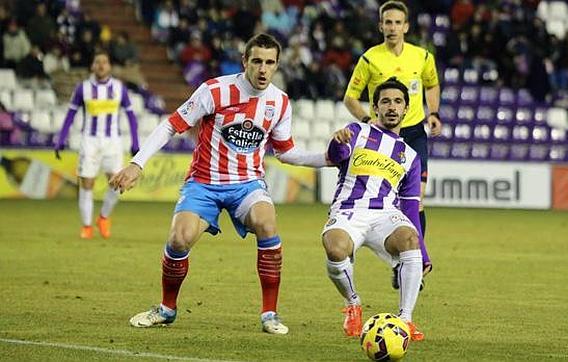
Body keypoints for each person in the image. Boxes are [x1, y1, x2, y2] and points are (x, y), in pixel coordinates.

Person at [109, 33, 328, 334]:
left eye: (270, 63)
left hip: (248, 185)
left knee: (267, 223)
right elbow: (171, 125)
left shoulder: (280, 102)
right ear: (244, 61)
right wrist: (137, 163)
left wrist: (328, 158)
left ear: (277, 65)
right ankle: (167, 309)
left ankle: (270, 314)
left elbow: (286, 152)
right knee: (179, 239)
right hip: (204, 183)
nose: (263, 70)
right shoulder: (215, 91)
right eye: (257, 62)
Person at [343, 0, 439, 288]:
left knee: (416, 200)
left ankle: (413, 262)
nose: (392, 27)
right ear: (380, 25)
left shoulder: (422, 57)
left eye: (398, 22)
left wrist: (433, 112)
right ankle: (399, 261)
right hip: (382, 138)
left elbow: (431, 85)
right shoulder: (370, 59)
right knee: (383, 199)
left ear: (406, 26)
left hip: (414, 134)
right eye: (388, 22)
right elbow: (350, 96)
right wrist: (365, 119)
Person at [325, 77, 429, 341]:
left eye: (398, 102)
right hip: (349, 210)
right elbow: (337, 157)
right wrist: (337, 142)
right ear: (375, 108)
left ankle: (405, 320)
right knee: (336, 248)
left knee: (409, 238)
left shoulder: (410, 156)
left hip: (385, 214)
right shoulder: (357, 131)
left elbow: (410, 204)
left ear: (407, 108)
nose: (392, 107)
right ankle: (353, 303)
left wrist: (423, 251)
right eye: (385, 102)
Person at [54, 50, 139, 239]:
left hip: (113, 142)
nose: (101, 65)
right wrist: (61, 138)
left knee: (118, 183)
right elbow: (70, 114)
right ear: (92, 66)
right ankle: (86, 226)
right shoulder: (83, 88)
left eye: (104, 62)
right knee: (87, 183)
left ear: (109, 66)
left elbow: (131, 116)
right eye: (97, 62)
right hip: (90, 141)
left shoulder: (119, 88)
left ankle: (103, 217)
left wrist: (135, 141)